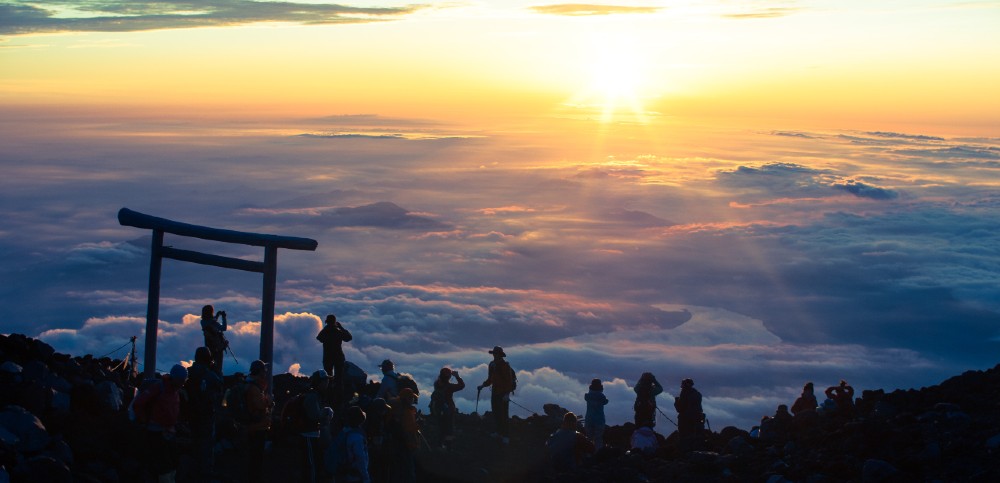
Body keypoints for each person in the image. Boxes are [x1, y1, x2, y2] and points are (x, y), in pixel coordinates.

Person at [131, 364, 187, 482]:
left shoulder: (175, 390)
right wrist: (144, 421)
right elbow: (138, 404)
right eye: (182, 380)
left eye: (184, 380)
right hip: (156, 432)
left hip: (168, 432)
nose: (183, 383)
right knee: (164, 465)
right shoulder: (159, 388)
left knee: (173, 462)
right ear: (175, 378)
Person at [185, 347, 223, 482]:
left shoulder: (187, 374)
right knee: (206, 446)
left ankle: (191, 473)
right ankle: (205, 474)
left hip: (189, 417)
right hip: (206, 417)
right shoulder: (211, 376)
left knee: (192, 446)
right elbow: (220, 387)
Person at [477, 346, 516, 444]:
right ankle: (499, 432)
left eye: (497, 353)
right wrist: (483, 385)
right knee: (496, 413)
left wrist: (507, 394)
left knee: (503, 415)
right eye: (494, 353)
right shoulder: (492, 364)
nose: (495, 355)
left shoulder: (505, 366)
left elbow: (509, 381)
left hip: (503, 393)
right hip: (495, 392)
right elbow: (490, 379)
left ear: (500, 355)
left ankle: (505, 435)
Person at [244, 359, 273, 483]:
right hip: (256, 428)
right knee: (255, 460)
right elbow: (259, 404)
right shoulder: (254, 388)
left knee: (255, 459)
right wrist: (268, 401)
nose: (265, 372)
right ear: (259, 371)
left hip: (256, 427)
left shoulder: (254, 386)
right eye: (264, 370)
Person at [327, 406, 370, 483]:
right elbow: (360, 457)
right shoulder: (357, 437)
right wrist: (365, 477)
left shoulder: (343, 432)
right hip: (354, 475)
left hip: (342, 473)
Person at [316, 314, 353, 397]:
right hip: (339, 357)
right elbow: (349, 337)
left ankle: (328, 395)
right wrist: (341, 327)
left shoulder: (326, 332)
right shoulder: (338, 332)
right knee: (339, 378)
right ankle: (339, 396)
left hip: (328, 357)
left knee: (328, 377)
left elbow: (319, 338)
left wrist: (326, 328)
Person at [388, 387, 420, 483]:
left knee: (399, 469)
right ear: (406, 398)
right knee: (408, 470)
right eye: (411, 398)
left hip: (398, 443)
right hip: (406, 444)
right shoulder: (406, 411)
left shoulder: (396, 409)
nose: (412, 400)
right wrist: (418, 425)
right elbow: (408, 429)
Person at [430, 367, 465, 448]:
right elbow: (462, 386)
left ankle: (439, 444)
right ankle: (448, 446)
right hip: (449, 410)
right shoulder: (449, 387)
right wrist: (457, 376)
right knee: (449, 429)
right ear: (449, 377)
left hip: (438, 409)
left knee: (441, 427)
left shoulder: (436, 384)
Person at [674, 378, 705, 452]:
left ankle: (684, 453)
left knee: (684, 438)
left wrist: (676, 402)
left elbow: (679, 408)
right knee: (695, 437)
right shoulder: (697, 393)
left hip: (685, 420)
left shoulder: (684, 393)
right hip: (697, 419)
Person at [200, 305, 228, 375]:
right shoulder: (214, 323)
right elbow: (224, 328)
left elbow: (211, 321)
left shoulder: (203, 322)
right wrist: (223, 317)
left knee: (210, 367)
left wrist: (217, 316)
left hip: (209, 349)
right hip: (218, 349)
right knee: (218, 368)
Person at [584, 378, 608, 450]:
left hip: (589, 419)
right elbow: (605, 402)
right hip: (599, 420)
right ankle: (598, 454)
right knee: (598, 438)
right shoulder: (601, 396)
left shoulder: (587, 396)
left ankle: (588, 453)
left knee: (589, 438)